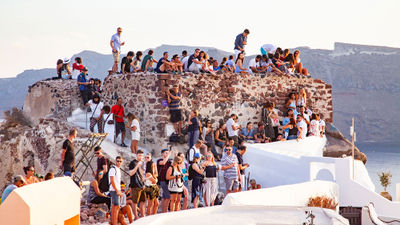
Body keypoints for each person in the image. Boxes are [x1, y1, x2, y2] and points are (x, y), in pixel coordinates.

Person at [128, 150, 146, 220]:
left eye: (142, 155)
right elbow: (130, 173)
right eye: (139, 155)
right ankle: (135, 216)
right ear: (136, 155)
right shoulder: (133, 163)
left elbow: (142, 173)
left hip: (142, 184)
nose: (140, 157)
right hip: (135, 185)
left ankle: (142, 215)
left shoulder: (142, 163)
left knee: (143, 201)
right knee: (135, 201)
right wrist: (137, 166)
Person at [156, 148, 172, 213]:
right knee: (168, 196)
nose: (167, 154)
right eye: (166, 153)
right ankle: (165, 211)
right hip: (162, 180)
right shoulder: (159, 160)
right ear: (162, 154)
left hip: (168, 180)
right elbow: (163, 162)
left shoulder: (169, 162)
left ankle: (163, 210)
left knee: (165, 196)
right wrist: (169, 155)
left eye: (168, 153)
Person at [109, 156, 123, 225]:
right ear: (115, 161)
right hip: (114, 189)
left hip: (117, 189)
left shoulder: (118, 169)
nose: (119, 162)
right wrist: (117, 190)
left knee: (115, 206)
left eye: (120, 161)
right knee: (116, 206)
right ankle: (114, 222)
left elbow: (118, 182)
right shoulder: (113, 169)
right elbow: (112, 181)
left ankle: (113, 222)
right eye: (118, 161)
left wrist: (120, 190)